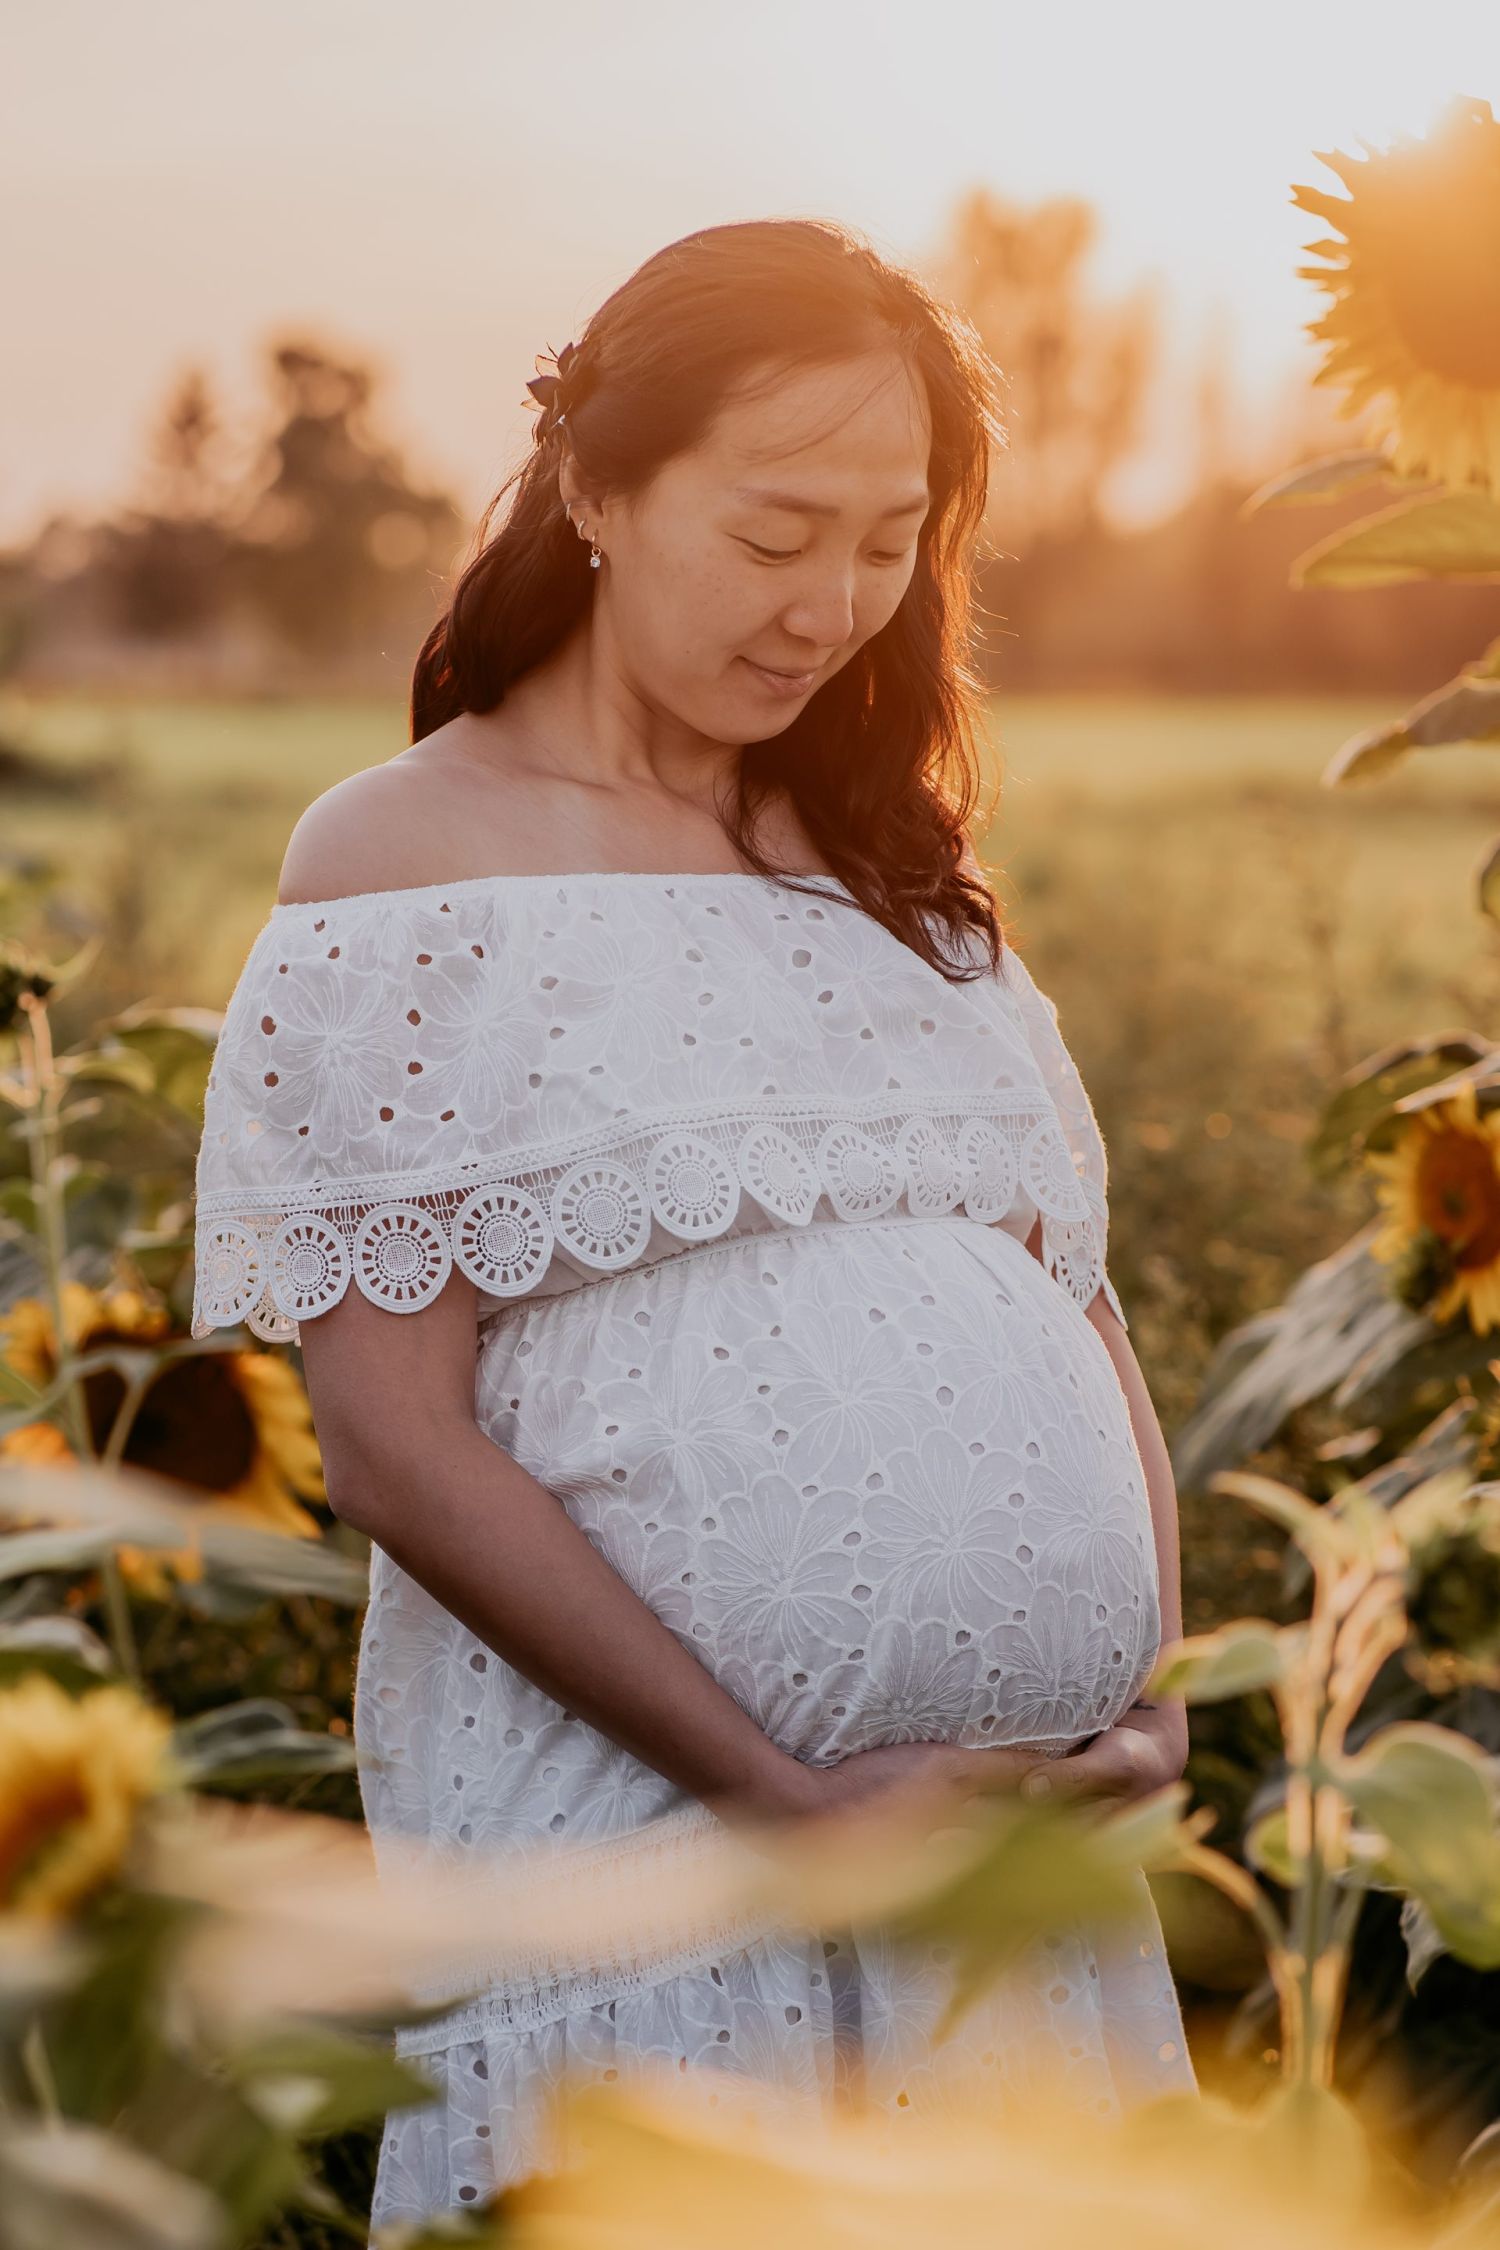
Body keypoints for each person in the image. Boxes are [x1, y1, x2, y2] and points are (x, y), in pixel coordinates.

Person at [191, 216, 1197, 2229]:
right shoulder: (403, 864)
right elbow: (397, 1445)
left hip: (1013, 1889)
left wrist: (1156, 1698)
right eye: (773, 529)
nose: (832, 600)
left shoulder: (895, 873)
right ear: (593, 489)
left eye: (892, 532)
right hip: (657, 1874)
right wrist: (797, 1800)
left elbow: (1066, 1299)